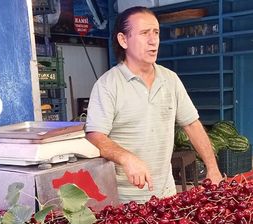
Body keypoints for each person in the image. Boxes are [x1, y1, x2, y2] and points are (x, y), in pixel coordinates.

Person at [85, 6, 223, 203]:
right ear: (123, 40)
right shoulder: (108, 85)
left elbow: (191, 124)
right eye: (144, 33)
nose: (153, 41)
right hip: (124, 199)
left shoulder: (170, 79)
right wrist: (127, 158)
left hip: (165, 193)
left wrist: (212, 167)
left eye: (156, 33)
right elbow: (95, 136)